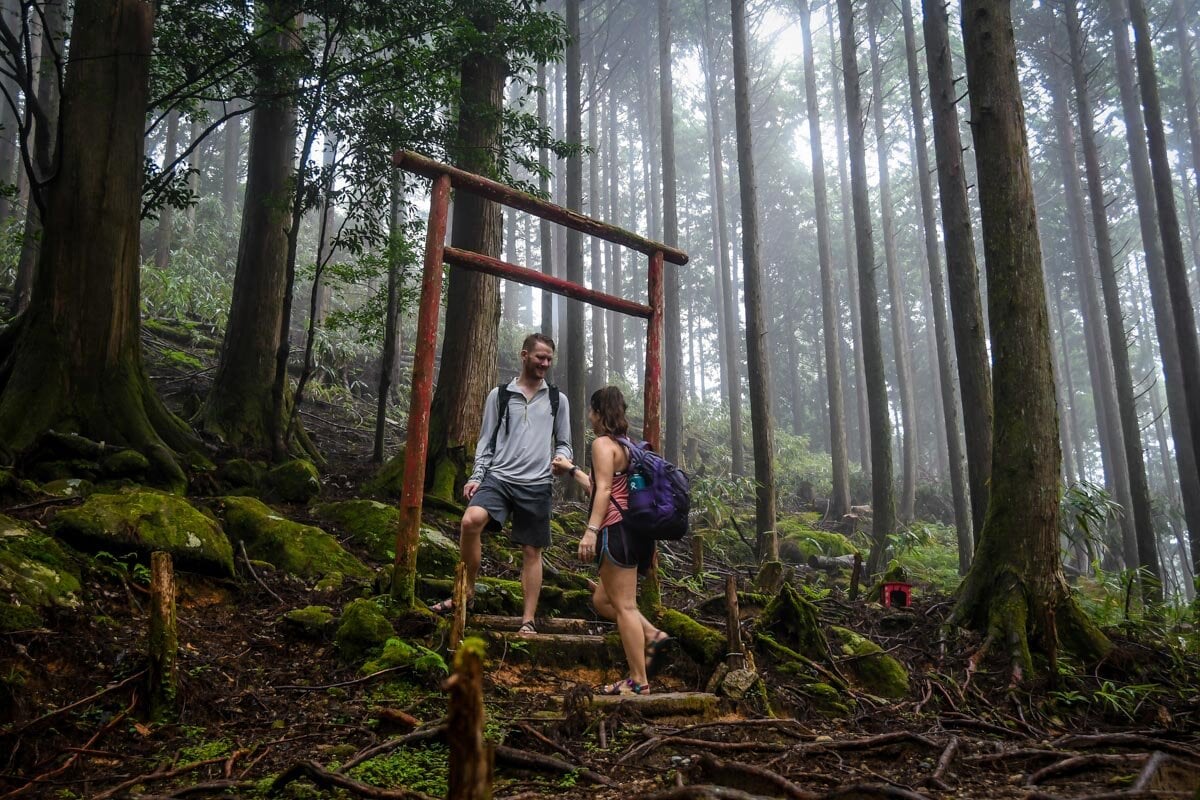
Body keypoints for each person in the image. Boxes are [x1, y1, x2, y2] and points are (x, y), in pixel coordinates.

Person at [431, 332, 572, 634]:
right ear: (524, 355)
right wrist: (476, 476)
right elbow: (486, 440)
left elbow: (564, 443)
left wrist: (561, 459)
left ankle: (528, 621)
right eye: (540, 357)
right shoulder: (500, 395)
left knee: (532, 552)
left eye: (549, 359)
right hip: (500, 477)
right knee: (470, 521)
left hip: (536, 484)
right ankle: (466, 591)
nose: (545, 364)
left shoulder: (558, 400)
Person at [552, 386, 673, 696]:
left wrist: (590, 532)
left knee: (625, 607)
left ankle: (638, 681)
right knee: (602, 600)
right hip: (634, 532)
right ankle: (652, 635)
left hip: (615, 531)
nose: (589, 416)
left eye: (591, 411)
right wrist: (573, 471)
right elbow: (600, 486)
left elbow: (604, 492)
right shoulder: (628, 446)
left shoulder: (602, 444)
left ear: (596, 412)